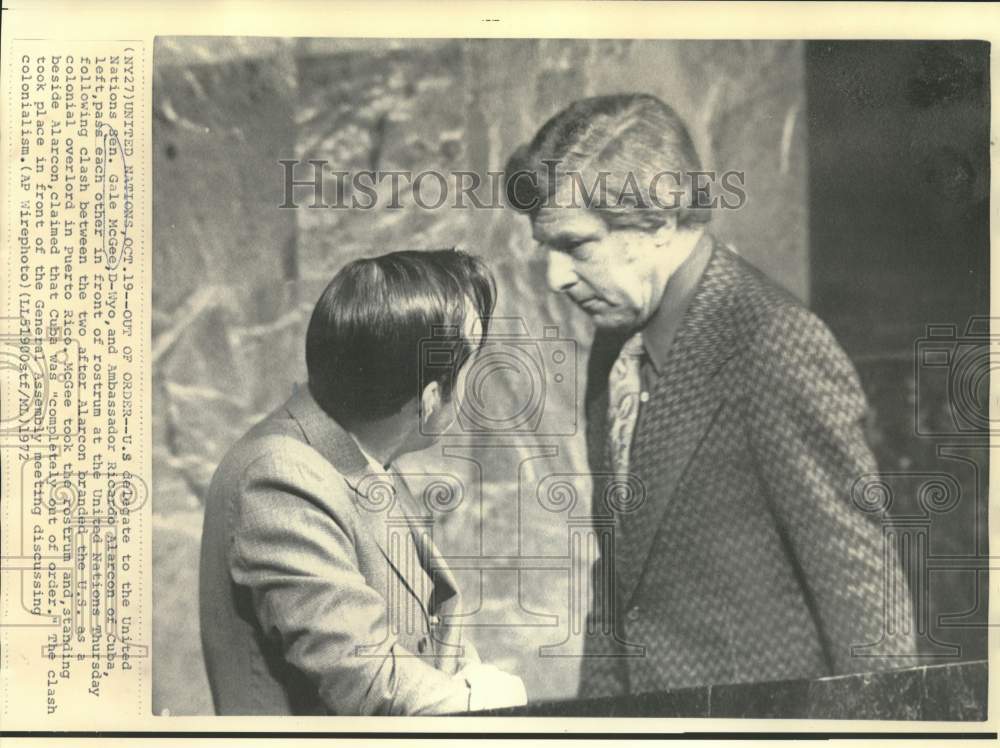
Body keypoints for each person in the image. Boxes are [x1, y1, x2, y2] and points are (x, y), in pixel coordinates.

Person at [504, 94, 916, 698]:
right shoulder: (614, 344)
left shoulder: (772, 340)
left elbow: (864, 590)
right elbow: (621, 585)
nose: (555, 278)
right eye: (548, 250)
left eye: (576, 245)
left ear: (662, 219)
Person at [199, 249, 527, 714]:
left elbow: (428, 635)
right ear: (430, 398)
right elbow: (372, 683)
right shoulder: (279, 478)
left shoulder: (360, 457)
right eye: (472, 364)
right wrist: (485, 696)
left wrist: (470, 678)